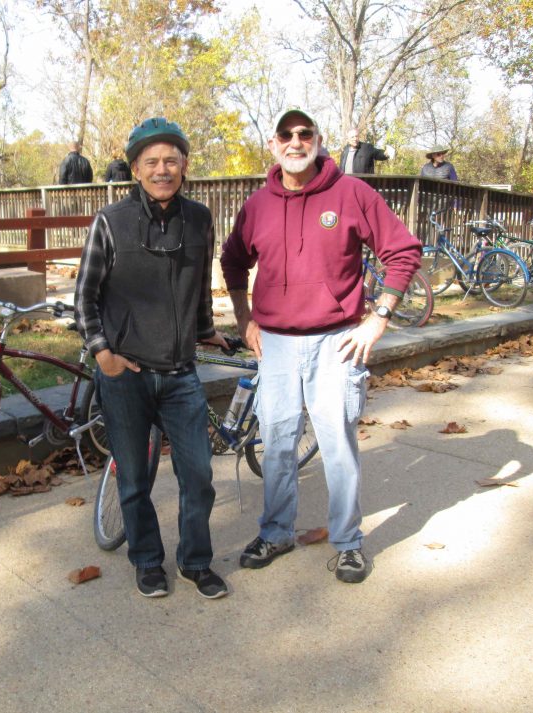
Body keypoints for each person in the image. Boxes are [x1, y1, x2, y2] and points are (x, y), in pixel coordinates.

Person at [220, 108, 421, 584]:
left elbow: (403, 252)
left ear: (318, 140)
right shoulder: (257, 206)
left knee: (338, 448)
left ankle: (348, 542)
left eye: (304, 134)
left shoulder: (352, 194)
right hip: (277, 346)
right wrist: (245, 319)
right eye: (286, 135)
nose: (295, 141)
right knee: (278, 447)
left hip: (337, 343)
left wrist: (379, 317)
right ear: (273, 145)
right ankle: (276, 532)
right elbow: (231, 262)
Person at [75, 117, 230, 600]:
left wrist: (206, 332)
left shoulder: (200, 219)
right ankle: (146, 560)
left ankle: (195, 562)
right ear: (136, 170)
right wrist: (103, 354)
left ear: (183, 165)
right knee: (135, 479)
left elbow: (199, 287)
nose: (163, 170)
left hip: (181, 374)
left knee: (199, 475)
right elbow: (85, 298)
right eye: (152, 162)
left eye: (171, 160)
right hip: (126, 376)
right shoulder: (111, 222)